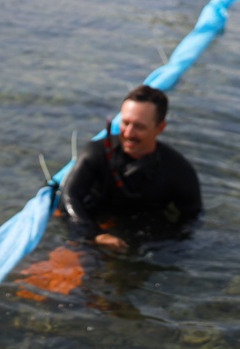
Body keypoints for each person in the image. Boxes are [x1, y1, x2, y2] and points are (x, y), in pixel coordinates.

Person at [61, 85, 202, 252]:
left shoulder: (178, 170)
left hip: (143, 235)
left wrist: (160, 246)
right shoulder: (96, 153)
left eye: (139, 127)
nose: (128, 133)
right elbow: (69, 196)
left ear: (160, 128)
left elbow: (192, 218)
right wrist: (95, 235)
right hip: (94, 223)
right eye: (125, 123)